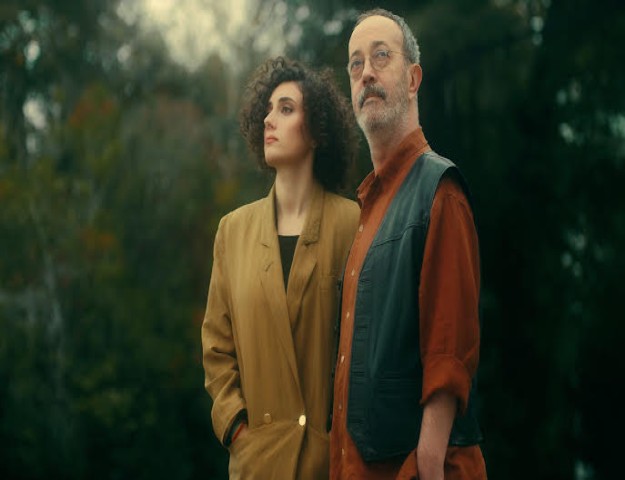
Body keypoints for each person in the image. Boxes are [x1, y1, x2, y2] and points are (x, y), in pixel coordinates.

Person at [330, 8, 487, 480]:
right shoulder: (366, 209)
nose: (366, 73)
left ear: (414, 78)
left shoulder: (440, 190)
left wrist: (429, 462)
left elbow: (449, 350)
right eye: (356, 64)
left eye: (381, 56)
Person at [201, 56, 360, 479]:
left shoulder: (353, 224)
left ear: (317, 130)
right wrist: (236, 428)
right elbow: (217, 348)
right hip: (257, 463)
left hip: (330, 463)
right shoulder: (232, 231)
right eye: (268, 109)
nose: (269, 119)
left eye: (286, 109)